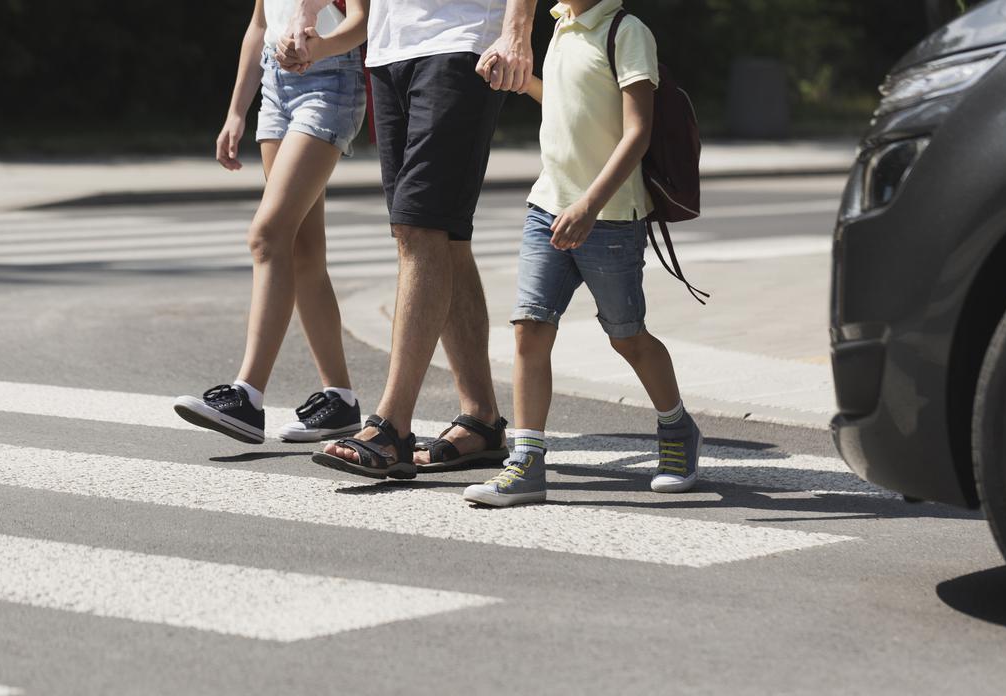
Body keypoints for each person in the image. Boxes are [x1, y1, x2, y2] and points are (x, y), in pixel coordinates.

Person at [283, 0, 538, 480]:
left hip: (461, 44)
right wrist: (307, 12)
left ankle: (391, 427)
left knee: (419, 229)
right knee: (443, 236)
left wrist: (516, 30)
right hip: (388, 50)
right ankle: (482, 420)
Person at [463, 0, 703, 506]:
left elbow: (637, 133)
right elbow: (565, 105)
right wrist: (516, 79)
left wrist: (589, 206)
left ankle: (677, 430)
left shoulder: (627, 32)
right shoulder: (561, 26)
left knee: (627, 337)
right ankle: (527, 463)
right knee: (530, 327)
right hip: (546, 206)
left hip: (609, 218)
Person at [173, 0, 369, 445]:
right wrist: (236, 111)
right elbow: (259, 25)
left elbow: (362, 23)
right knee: (301, 250)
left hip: (329, 82)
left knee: (267, 236)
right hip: (276, 87)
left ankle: (247, 395)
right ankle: (339, 400)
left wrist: (318, 50)